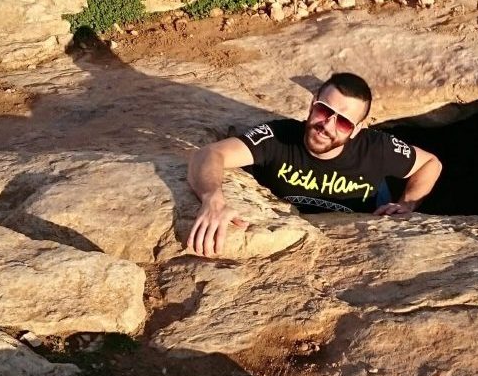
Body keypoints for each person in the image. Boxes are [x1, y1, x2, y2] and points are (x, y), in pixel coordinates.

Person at [187, 72, 442, 256]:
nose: (327, 125)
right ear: (312, 104)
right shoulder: (278, 137)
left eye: (344, 122)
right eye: (324, 110)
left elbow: (431, 163)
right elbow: (209, 154)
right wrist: (212, 199)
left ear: (357, 129)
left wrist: (406, 203)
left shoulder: (377, 148)